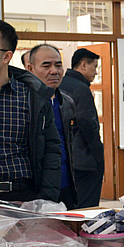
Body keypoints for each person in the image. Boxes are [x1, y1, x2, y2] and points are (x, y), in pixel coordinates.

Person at [0, 19, 61, 202]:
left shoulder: (34, 95)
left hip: (24, 197)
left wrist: (46, 198)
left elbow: (51, 149)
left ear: (6, 56)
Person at [28, 44, 78, 208]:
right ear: (30, 68)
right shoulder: (23, 102)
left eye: (58, 65)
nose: (54, 71)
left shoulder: (67, 101)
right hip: (35, 187)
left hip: (65, 183)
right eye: (46, 65)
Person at [60, 48, 104, 208]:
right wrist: (98, 153)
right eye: (95, 67)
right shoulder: (81, 88)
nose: (96, 73)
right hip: (83, 159)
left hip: (64, 156)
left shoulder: (62, 84)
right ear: (83, 65)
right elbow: (87, 123)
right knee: (86, 207)